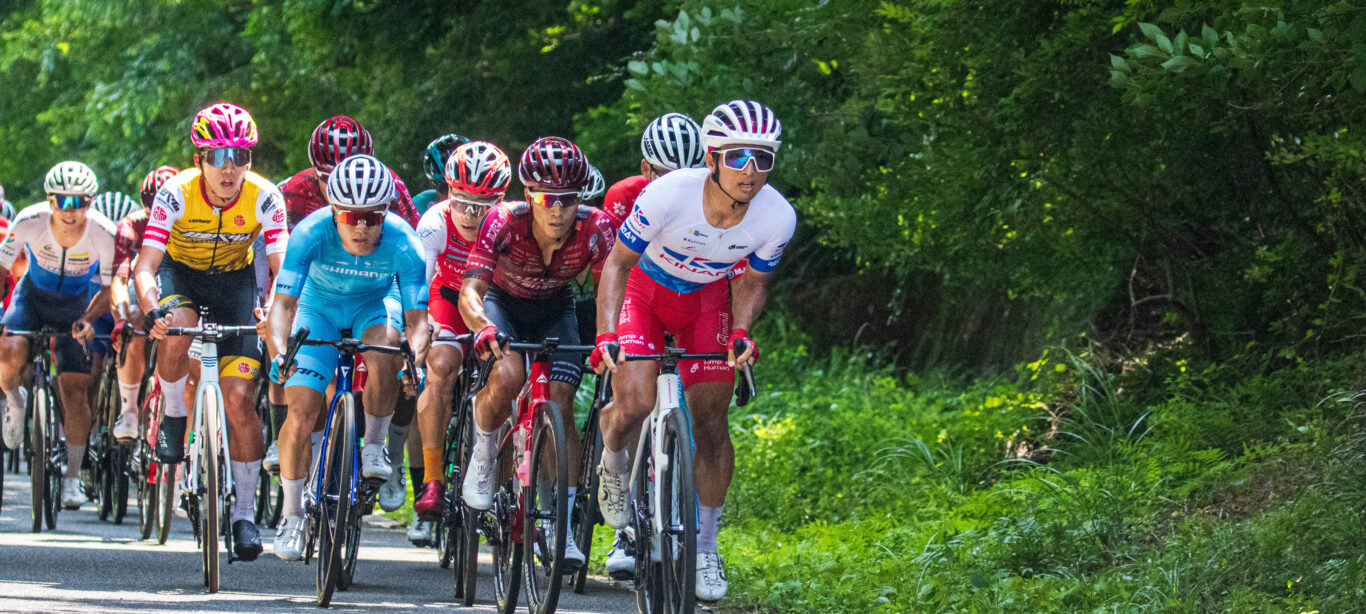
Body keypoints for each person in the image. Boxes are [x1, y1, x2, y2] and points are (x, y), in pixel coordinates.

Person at [591, 100, 796, 601]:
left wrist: (741, 331)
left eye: (763, 159)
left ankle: (705, 548)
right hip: (645, 292)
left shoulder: (778, 216)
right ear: (712, 158)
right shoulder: (667, 195)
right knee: (634, 404)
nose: (750, 170)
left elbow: (753, 282)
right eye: (738, 156)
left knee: (711, 422)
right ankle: (613, 463)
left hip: (705, 302)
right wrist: (606, 334)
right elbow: (616, 265)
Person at [133, 102, 288, 561]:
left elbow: (281, 269)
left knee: (239, 398)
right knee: (177, 326)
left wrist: (274, 312)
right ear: (199, 158)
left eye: (240, 156)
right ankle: (174, 413)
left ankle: (243, 515)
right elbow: (146, 267)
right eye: (218, 156)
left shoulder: (264, 196)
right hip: (179, 276)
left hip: (234, 284)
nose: (229, 168)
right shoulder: (175, 193)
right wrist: (151, 310)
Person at [458, 136, 616, 569]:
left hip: (554, 310)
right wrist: (483, 326)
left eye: (569, 199)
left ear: (580, 199)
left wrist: (609, 336)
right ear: (529, 195)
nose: (557, 210)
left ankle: (561, 526)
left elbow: (610, 292)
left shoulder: (597, 227)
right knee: (508, 378)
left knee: (561, 403)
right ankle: (484, 451)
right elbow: (471, 290)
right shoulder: (503, 220)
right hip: (503, 306)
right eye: (547, 198)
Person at [266, 154, 430, 561]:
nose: (361, 227)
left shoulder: (404, 242)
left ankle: (373, 445)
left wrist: (415, 361)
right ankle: (291, 513)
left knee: (386, 348)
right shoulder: (309, 232)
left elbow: (417, 321)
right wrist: (279, 352)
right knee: (300, 413)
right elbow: (282, 306)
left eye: (372, 218)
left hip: (374, 306)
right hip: (317, 309)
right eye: (351, 216)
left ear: (385, 213)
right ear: (334, 211)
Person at [0, 161, 117, 510]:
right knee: (8, 349)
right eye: (61, 201)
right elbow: (2, 268)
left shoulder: (103, 232)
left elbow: (108, 290)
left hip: (76, 306)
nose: (69, 210)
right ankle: (15, 400)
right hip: (32, 298)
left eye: (78, 202)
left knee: (75, 391)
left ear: (90, 203)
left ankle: (71, 479)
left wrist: (88, 319)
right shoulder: (29, 221)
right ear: (50, 201)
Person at [410, 141, 510, 538]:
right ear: (448, 191)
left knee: (508, 379)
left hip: (494, 302)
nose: (470, 214)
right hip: (448, 299)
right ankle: (432, 481)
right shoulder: (434, 223)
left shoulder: (511, 224)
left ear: (500, 200)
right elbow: (417, 288)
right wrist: (421, 329)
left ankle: (506, 484)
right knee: (441, 366)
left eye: (482, 205)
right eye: (462, 201)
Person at [108, 166, 179, 440]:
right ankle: (129, 410)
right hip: (144, 285)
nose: (159, 215)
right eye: (152, 208)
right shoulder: (130, 225)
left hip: (180, 284)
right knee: (135, 323)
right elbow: (120, 279)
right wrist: (122, 319)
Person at [410, 134, 471, 215]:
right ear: (432, 184)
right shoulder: (419, 205)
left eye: (462, 188)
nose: (451, 196)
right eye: (444, 188)